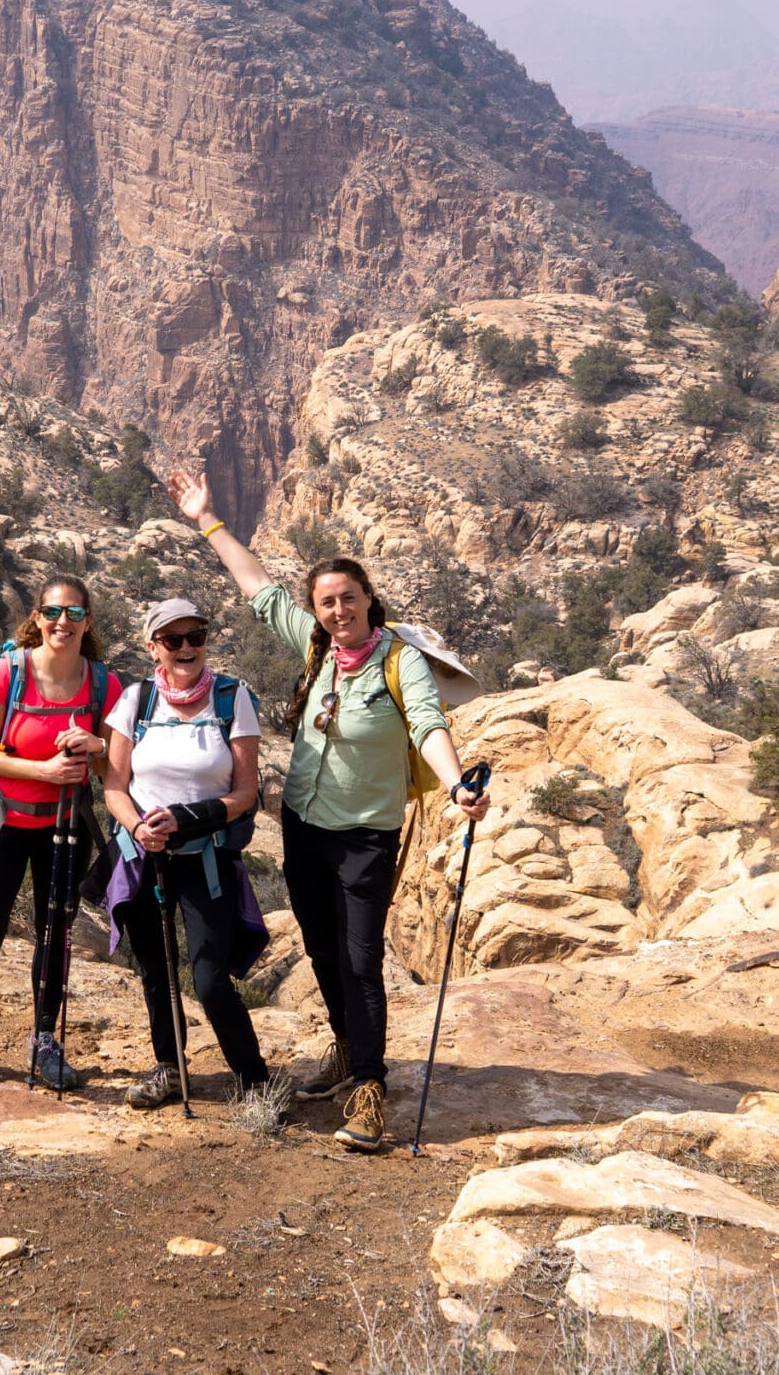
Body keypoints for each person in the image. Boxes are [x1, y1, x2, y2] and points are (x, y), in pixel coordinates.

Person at [168, 469, 491, 1152]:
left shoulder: (400, 663)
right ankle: (347, 1049)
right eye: (327, 602)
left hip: (365, 838)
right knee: (320, 948)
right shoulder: (317, 646)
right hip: (304, 830)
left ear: (370, 598)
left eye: (348, 597)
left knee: (359, 960)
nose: (338, 610)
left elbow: (429, 726)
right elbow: (258, 589)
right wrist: (206, 518)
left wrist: (458, 782)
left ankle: (371, 1088)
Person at [0, 576, 124, 1091]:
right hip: (2, 824)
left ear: (87, 621)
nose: (62, 623)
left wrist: (95, 744)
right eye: (53, 613)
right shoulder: (10, 672)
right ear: (37, 617)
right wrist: (44, 771)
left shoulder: (103, 685)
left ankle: (44, 1040)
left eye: (74, 614)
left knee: (55, 939)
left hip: (67, 827)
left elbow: (112, 767)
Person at [103, 597, 271, 1109]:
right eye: (172, 640)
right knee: (156, 973)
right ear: (153, 647)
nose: (185, 648)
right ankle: (170, 1069)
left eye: (194, 637)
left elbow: (246, 791)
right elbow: (114, 785)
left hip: (207, 858)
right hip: (144, 857)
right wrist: (137, 826)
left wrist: (189, 818)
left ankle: (255, 1077)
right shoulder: (135, 701)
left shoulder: (231, 697)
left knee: (209, 978)